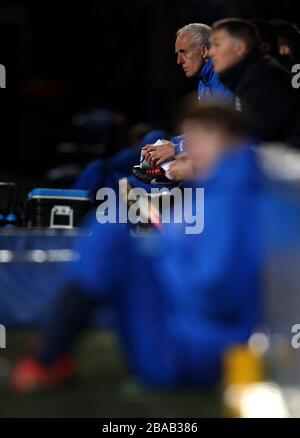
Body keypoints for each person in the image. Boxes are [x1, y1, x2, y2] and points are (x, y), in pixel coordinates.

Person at [10, 104, 263, 392]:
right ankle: (52, 350)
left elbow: (215, 290)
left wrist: (155, 270)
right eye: (191, 137)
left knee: (110, 238)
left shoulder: (235, 198)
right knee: (111, 236)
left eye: (205, 135)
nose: (194, 147)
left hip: (197, 353)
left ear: (236, 140)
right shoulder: (222, 186)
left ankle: (49, 355)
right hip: (187, 336)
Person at [142, 23, 233, 168]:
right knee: (152, 140)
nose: (179, 61)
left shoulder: (225, 80)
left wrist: (177, 148)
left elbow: (222, 134)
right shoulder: (203, 82)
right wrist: (173, 143)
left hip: (223, 163)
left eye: (184, 52)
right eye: (177, 54)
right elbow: (204, 128)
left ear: (204, 51)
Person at [209, 18, 300, 147]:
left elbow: (255, 138)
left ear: (240, 48)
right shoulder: (246, 74)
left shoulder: (262, 77)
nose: (211, 52)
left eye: (217, 44)